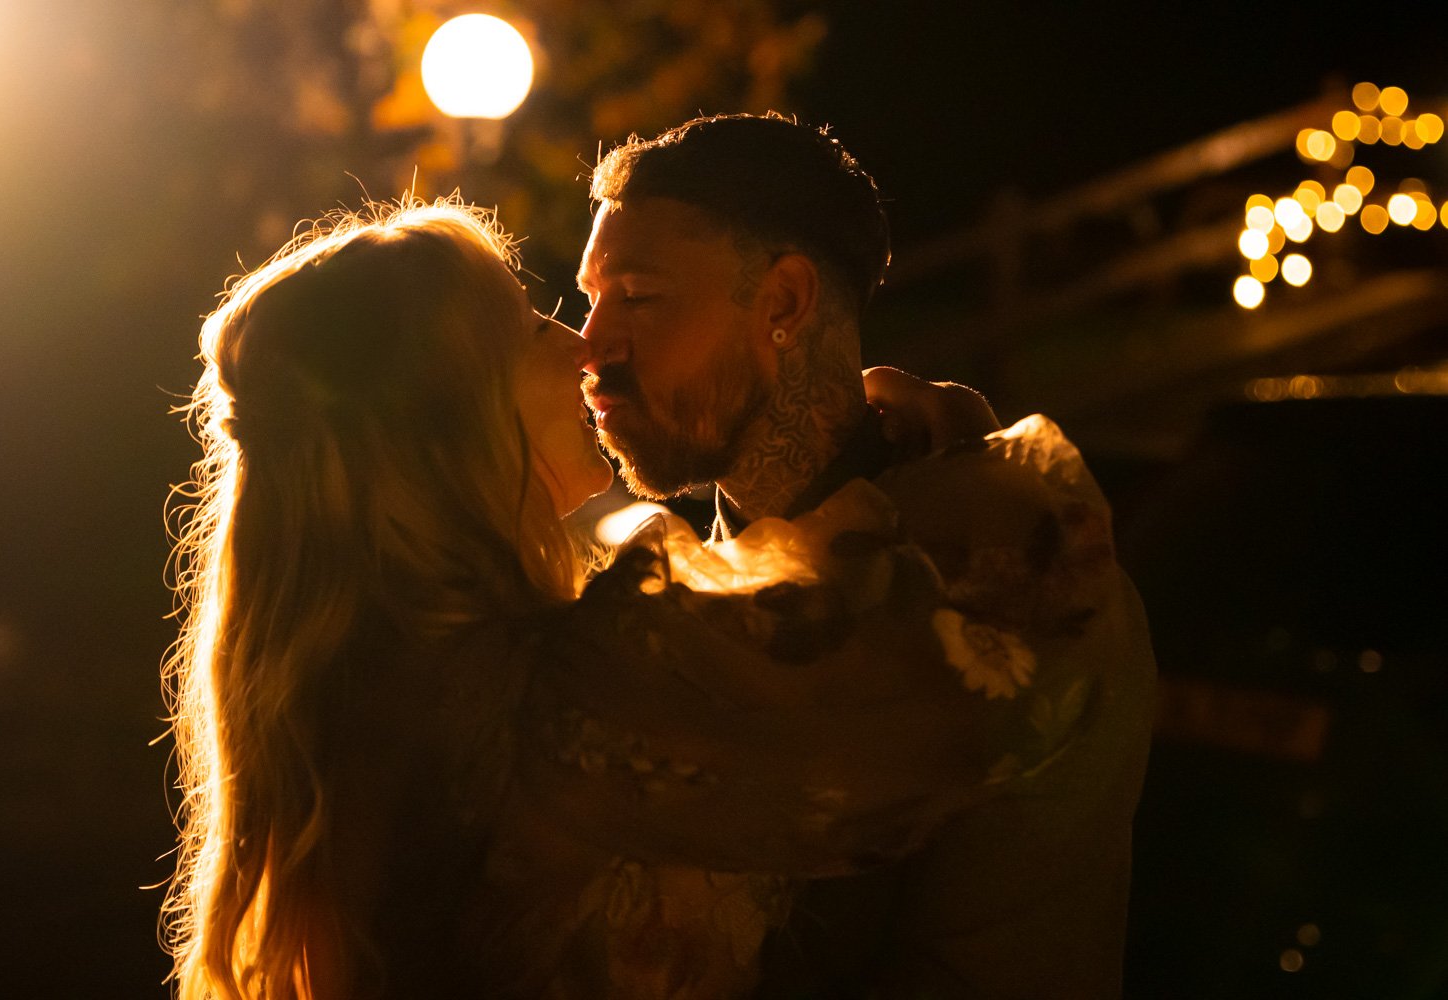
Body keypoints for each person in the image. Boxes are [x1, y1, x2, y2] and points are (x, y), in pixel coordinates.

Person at [160, 198, 1113, 999]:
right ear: (453, 412)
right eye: (533, 324)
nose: (582, 347)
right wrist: (969, 462)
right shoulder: (550, 700)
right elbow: (973, 649)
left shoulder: (368, 684)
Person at [578, 112, 1158, 997]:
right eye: (590, 299)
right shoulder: (708, 579)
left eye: (638, 296)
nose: (592, 346)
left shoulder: (1002, 579)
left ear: (782, 302)